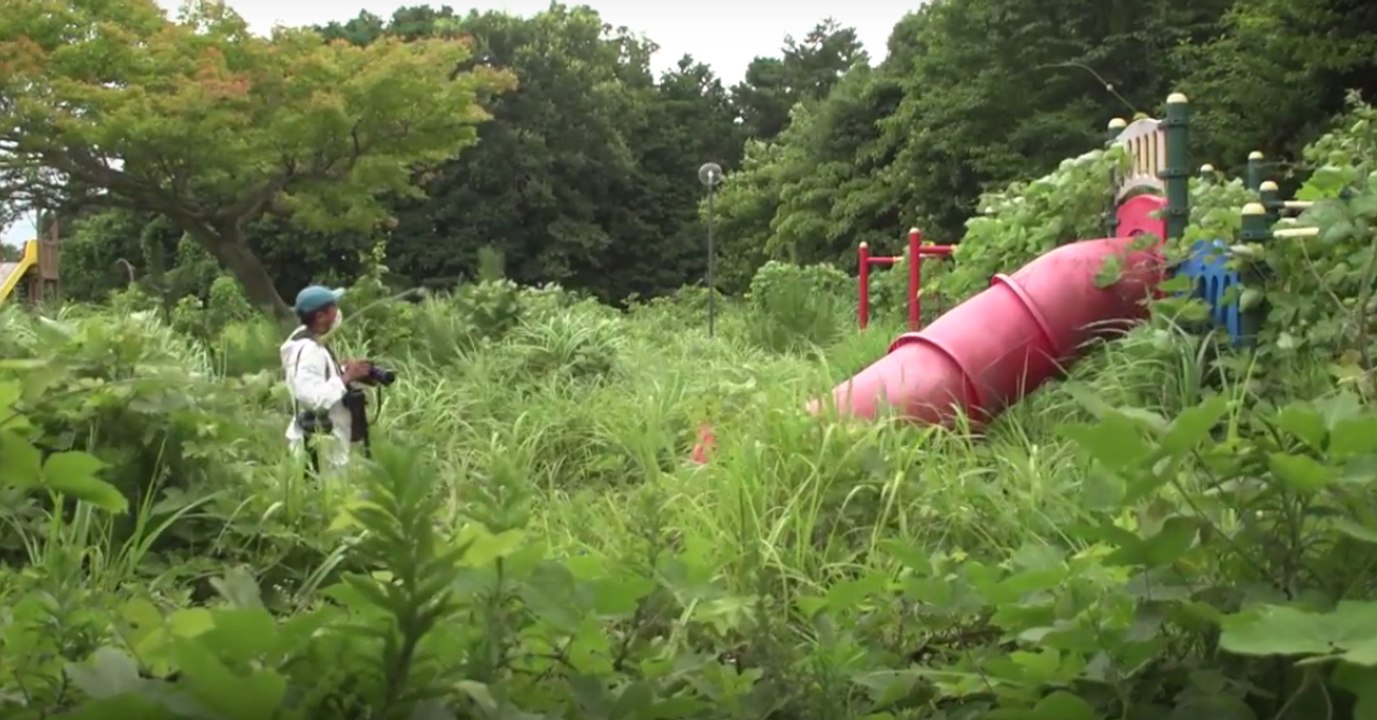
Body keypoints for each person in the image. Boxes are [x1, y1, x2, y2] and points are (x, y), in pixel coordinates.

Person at [280, 285, 370, 472]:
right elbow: (313, 399)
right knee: (327, 497)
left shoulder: (306, 340)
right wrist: (346, 378)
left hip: (323, 441)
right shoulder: (309, 350)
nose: (337, 312)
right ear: (320, 316)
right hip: (321, 447)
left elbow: (315, 380)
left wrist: (343, 370)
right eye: (333, 308)